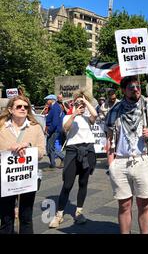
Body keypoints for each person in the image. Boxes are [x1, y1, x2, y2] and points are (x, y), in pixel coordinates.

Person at [105, 75, 148, 234]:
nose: (136, 89)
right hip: (120, 162)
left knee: (144, 203)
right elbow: (109, 138)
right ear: (123, 90)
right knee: (124, 205)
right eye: (132, 87)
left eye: (138, 86)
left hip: (142, 160)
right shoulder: (114, 111)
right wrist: (111, 164)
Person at [49, 89, 98, 228]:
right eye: (77, 103)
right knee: (67, 185)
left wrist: (85, 101)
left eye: (81, 103)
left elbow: (95, 114)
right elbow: (65, 128)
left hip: (87, 150)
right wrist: (74, 113)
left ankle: (79, 212)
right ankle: (59, 215)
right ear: (73, 105)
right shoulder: (68, 117)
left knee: (83, 183)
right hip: (72, 151)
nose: (80, 106)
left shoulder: (88, 118)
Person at [0, 95, 46, 234]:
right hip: (6, 178)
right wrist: (10, 149)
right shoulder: (1, 127)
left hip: (28, 177)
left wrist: (29, 147)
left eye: (25, 107)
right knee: (6, 217)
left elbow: (41, 152)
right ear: (10, 109)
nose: (22, 109)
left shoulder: (35, 127)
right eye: (19, 106)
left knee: (26, 216)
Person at [45, 93, 65, 168]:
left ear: (51, 100)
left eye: (47, 100)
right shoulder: (53, 107)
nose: (46, 101)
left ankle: (63, 158)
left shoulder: (55, 107)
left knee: (50, 147)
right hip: (53, 129)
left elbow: (55, 121)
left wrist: (49, 130)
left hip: (54, 130)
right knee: (49, 147)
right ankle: (52, 163)